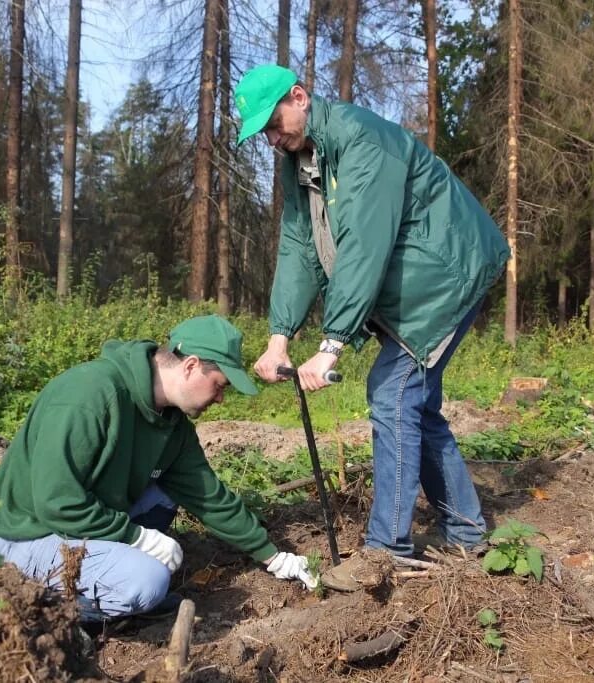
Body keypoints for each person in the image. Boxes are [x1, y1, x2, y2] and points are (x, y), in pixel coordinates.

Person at [234, 65, 511, 587]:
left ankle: (387, 549)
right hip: (413, 284)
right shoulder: (299, 158)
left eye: (274, 124)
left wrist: (331, 344)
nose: (272, 140)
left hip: (447, 273)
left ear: (300, 96)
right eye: (263, 134)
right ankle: (468, 530)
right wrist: (279, 336)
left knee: (392, 392)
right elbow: (298, 245)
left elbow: (363, 243)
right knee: (416, 404)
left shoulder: (360, 139)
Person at [0, 314, 317, 621]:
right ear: (191, 366)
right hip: (29, 534)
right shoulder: (88, 396)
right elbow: (57, 503)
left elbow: (206, 494)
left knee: (165, 495)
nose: (220, 399)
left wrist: (273, 556)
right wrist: (137, 537)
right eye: (220, 385)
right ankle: (44, 614)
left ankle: (116, 584)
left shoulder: (172, 423)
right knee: (148, 581)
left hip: (82, 519)